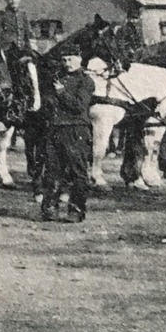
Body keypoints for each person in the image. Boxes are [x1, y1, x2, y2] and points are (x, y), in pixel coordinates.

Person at [41, 48, 94, 222]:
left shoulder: (85, 81)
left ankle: (76, 210)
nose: (67, 64)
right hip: (55, 129)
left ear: (79, 59)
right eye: (64, 60)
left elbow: (79, 106)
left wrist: (62, 92)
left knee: (78, 171)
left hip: (76, 130)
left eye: (70, 59)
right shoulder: (57, 79)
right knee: (51, 170)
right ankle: (50, 207)